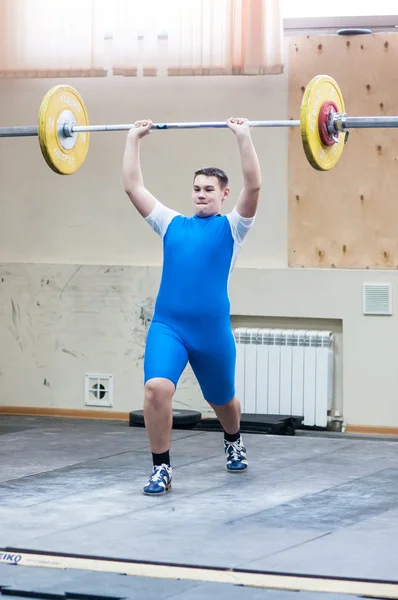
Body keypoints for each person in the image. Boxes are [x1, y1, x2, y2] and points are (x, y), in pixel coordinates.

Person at [122, 117, 261, 496]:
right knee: (155, 389)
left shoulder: (233, 228)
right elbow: (133, 186)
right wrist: (133, 138)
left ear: (223, 194)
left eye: (209, 189)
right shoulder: (171, 224)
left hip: (211, 332)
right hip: (169, 327)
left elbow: (255, 184)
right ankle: (161, 468)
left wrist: (243, 136)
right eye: (196, 188)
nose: (201, 194)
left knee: (223, 400)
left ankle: (233, 438)